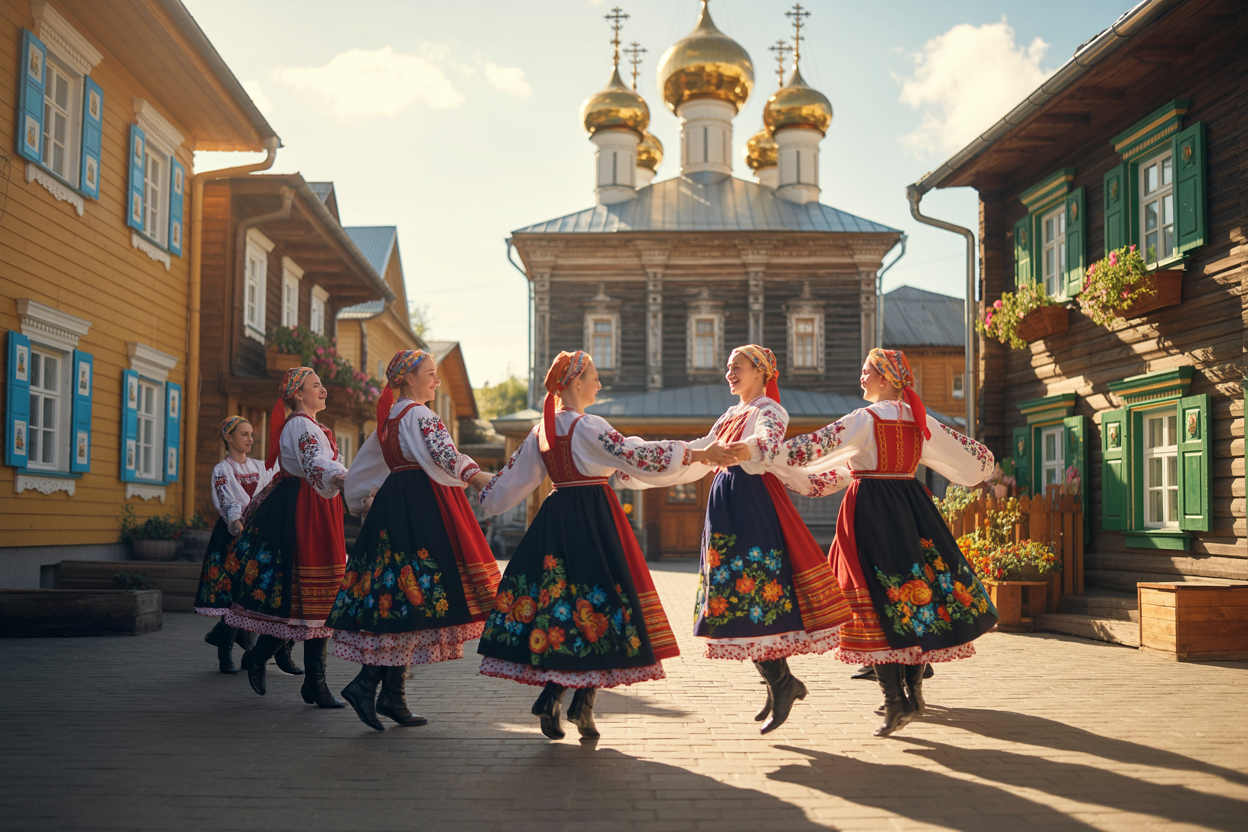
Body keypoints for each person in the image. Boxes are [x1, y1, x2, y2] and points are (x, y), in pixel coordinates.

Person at [476, 350, 734, 740]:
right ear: (576, 382)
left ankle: (565, 700)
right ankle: (576, 703)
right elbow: (637, 454)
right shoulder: (587, 425)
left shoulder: (543, 429)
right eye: (594, 376)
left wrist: (480, 486)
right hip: (594, 519)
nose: (599, 383)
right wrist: (697, 454)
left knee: (563, 609)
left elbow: (507, 488)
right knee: (604, 604)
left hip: (555, 518)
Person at [760, 348, 998, 737]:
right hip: (912, 507)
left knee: (875, 598)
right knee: (912, 596)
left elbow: (814, 448)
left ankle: (896, 701)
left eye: (866, 371)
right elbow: (976, 460)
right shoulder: (920, 420)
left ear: (885, 379)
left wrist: (766, 455)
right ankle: (914, 694)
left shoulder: (863, 419)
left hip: (870, 511)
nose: (861, 377)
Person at [681, 346, 853, 734]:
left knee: (755, 595)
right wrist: (667, 459)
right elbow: (705, 449)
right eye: (728, 368)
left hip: (751, 508)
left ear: (760, 372)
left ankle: (782, 684)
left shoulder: (768, 411)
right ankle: (781, 685)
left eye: (737, 367)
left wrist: (747, 449)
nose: (730, 374)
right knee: (738, 600)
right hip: (726, 510)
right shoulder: (729, 415)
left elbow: (769, 442)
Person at [328, 350, 500, 731]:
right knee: (417, 596)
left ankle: (392, 696)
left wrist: (359, 502)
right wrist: (476, 476)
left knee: (402, 602)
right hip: (422, 507)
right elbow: (443, 452)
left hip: (393, 507)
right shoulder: (420, 414)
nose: (437, 381)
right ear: (407, 378)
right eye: (431, 374)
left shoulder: (388, 419)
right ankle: (368, 685)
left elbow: (361, 473)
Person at [226, 368, 349, 709]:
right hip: (305, 509)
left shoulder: (309, 425)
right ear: (298, 394)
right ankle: (308, 680)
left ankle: (308, 680)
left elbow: (319, 464)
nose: (323, 389)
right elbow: (315, 464)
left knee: (315, 598)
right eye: (315, 385)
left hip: (316, 505)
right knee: (308, 595)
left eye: (322, 384)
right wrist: (350, 480)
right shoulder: (300, 425)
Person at [194, 416, 301, 676]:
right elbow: (226, 499)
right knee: (233, 592)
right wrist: (236, 521)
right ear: (228, 437)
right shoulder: (222, 470)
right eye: (244, 434)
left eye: (251, 434)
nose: (250, 439)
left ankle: (234, 640)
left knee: (251, 590)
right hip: (233, 534)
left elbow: (272, 490)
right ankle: (225, 653)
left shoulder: (260, 466)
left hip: (258, 535)